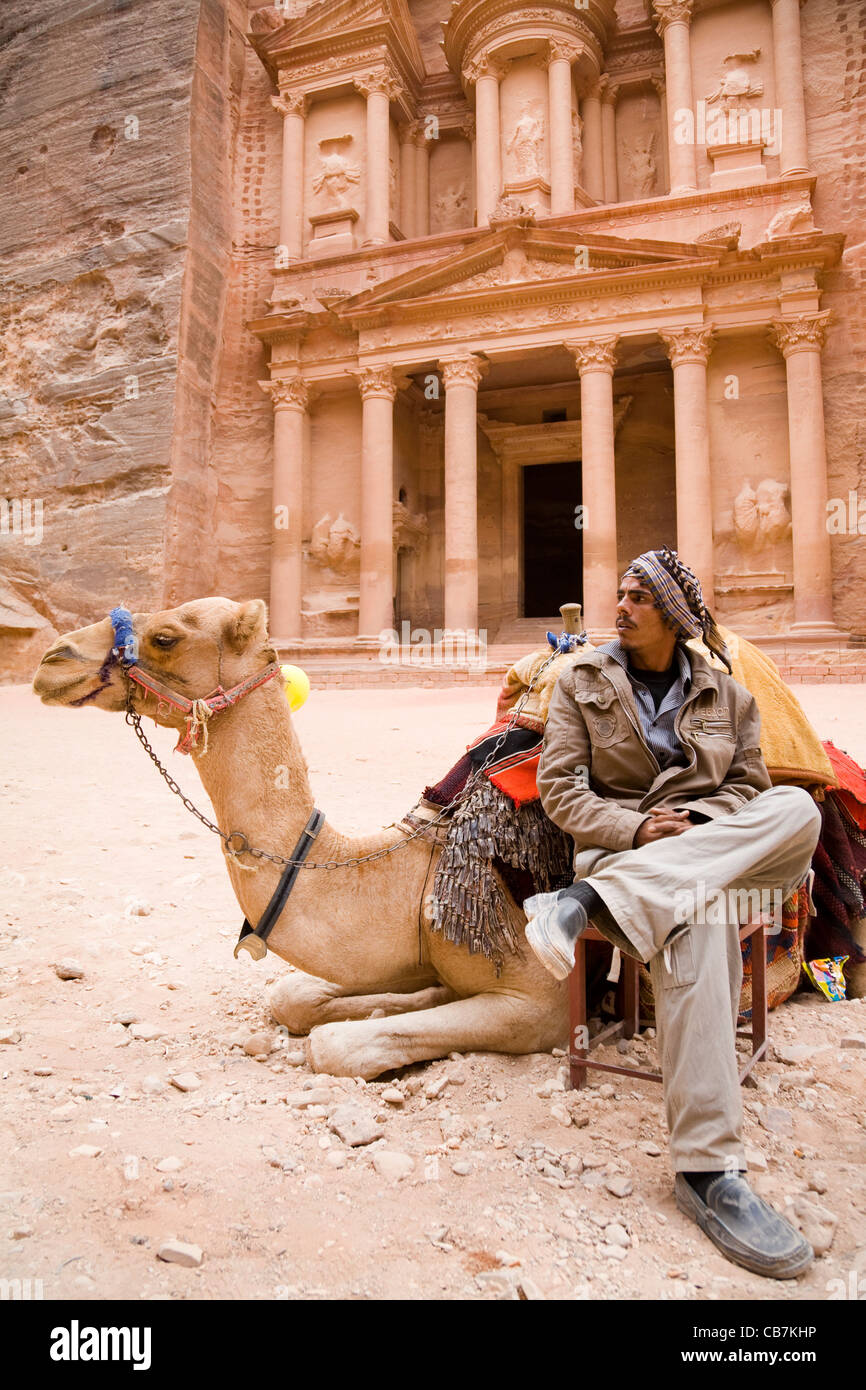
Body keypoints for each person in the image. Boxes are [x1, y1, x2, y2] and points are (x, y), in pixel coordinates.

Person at [527, 545, 821, 1279]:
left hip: (707, 848)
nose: (618, 607)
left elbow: (751, 792)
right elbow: (560, 790)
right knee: (700, 918)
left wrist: (694, 820)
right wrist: (636, 829)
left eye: (637, 597)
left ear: (674, 615)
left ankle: (580, 907)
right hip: (623, 855)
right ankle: (708, 1173)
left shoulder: (731, 697)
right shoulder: (580, 680)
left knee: (794, 808)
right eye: (619, 594)